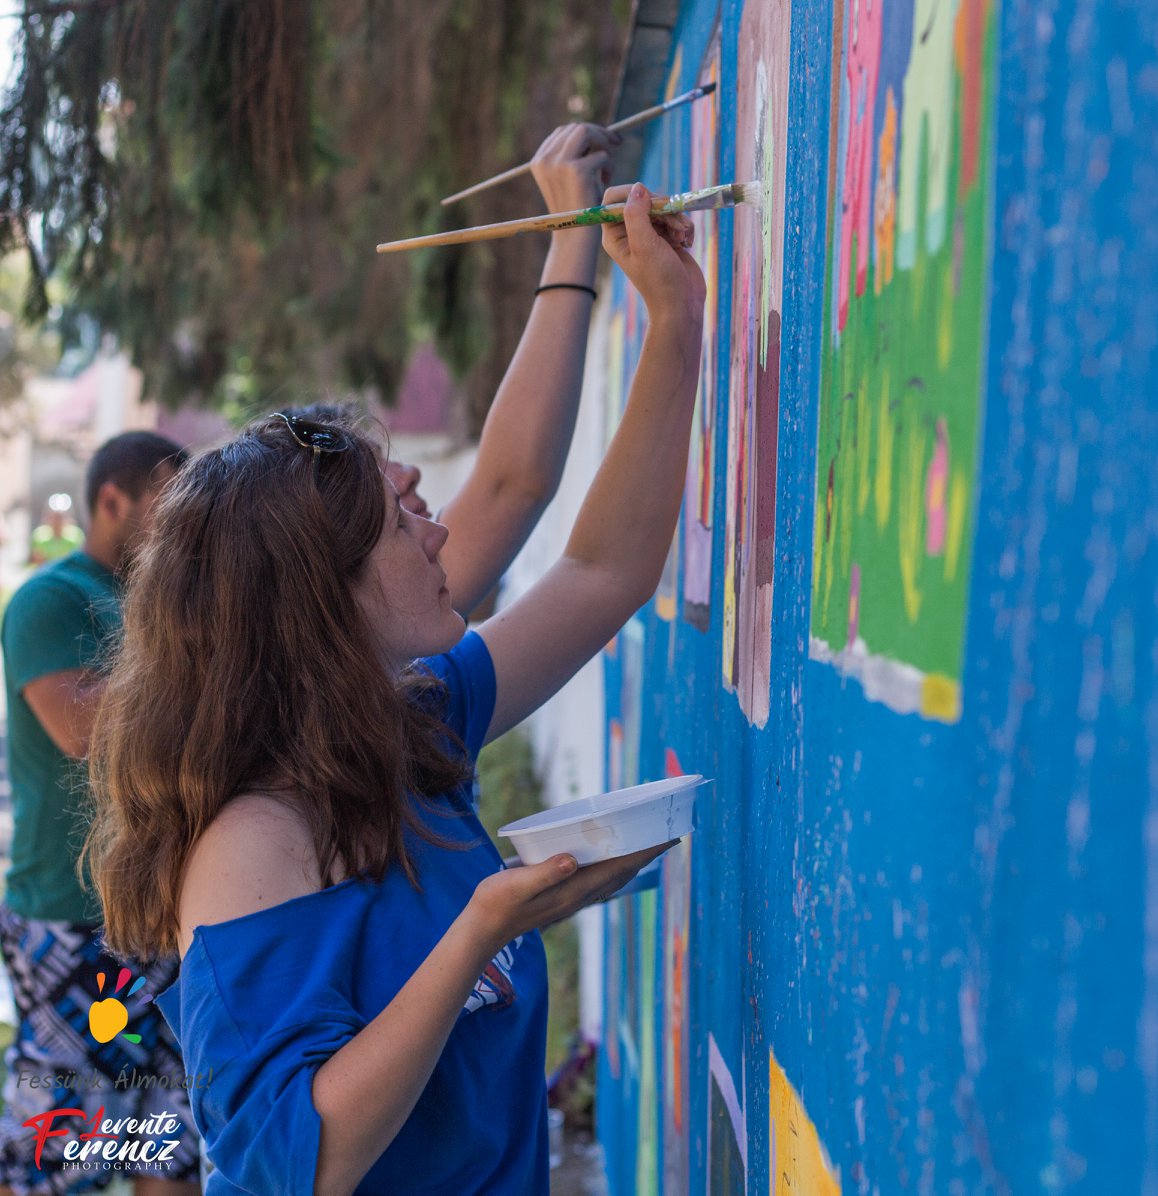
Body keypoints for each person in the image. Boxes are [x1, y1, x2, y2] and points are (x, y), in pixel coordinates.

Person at [85, 178, 703, 1195]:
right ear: (324, 596)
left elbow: (601, 573)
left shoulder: (408, 723)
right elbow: (300, 1161)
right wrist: (480, 929)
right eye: (405, 521)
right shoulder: (251, 844)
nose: (444, 533)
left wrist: (675, 320)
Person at [292, 120, 702, 622]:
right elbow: (590, 564)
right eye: (394, 522)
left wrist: (670, 308)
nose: (440, 531)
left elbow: (580, 551)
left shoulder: (428, 684)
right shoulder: (411, 691)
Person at [0, 431, 194, 1196]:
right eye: (166, 503)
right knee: (53, 1150)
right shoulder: (50, 599)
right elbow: (83, 733)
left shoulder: (161, 605)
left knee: (165, 1141)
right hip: (66, 918)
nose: (182, 522)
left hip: (161, 916)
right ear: (113, 500)